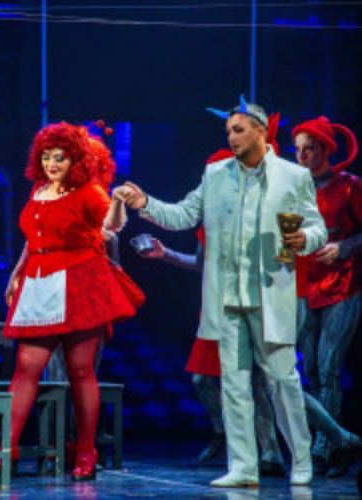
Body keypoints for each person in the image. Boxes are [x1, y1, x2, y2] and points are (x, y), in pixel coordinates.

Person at [115, 96, 327, 487]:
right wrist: (145, 203)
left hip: (270, 293)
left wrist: (306, 239)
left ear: (261, 132)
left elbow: (318, 227)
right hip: (227, 297)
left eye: (238, 130)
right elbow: (183, 214)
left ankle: (301, 458)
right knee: (234, 384)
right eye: (228, 131)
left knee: (282, 381)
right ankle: (243, 466)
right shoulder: (215, 174)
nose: (231, 137)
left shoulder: (293, 176)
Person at [3, 122, 143, 481]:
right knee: (26, 368)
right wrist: (16, 273)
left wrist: (117, 202)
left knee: (80, 371)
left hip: (79, 282)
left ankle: (85, 451)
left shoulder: (89, 192)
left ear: (75, 161)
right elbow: (33, 239)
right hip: (39, 282)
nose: (51, 164)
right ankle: (8, 449)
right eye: (46, 157)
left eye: (59, 158)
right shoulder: (38, 190)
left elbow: (111, 226)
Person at [136, 232, 286, 476]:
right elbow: (200, 263)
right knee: (201, 379)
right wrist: (165, 254)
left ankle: (272, 453)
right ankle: (222, 430)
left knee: (254, 381)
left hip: (247, 305)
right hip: (214, 310)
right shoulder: (208, 225)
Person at [292, 116, 362, 476]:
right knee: (311, 370)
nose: (302, 155)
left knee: (329, 366)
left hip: (343, 284)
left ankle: (325, 447)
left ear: (325, 150)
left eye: (310, 149)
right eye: (298, 149)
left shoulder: (350, 186)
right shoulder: (294, 188)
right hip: (305, 284)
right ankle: (336, 441)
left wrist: (344, 247)